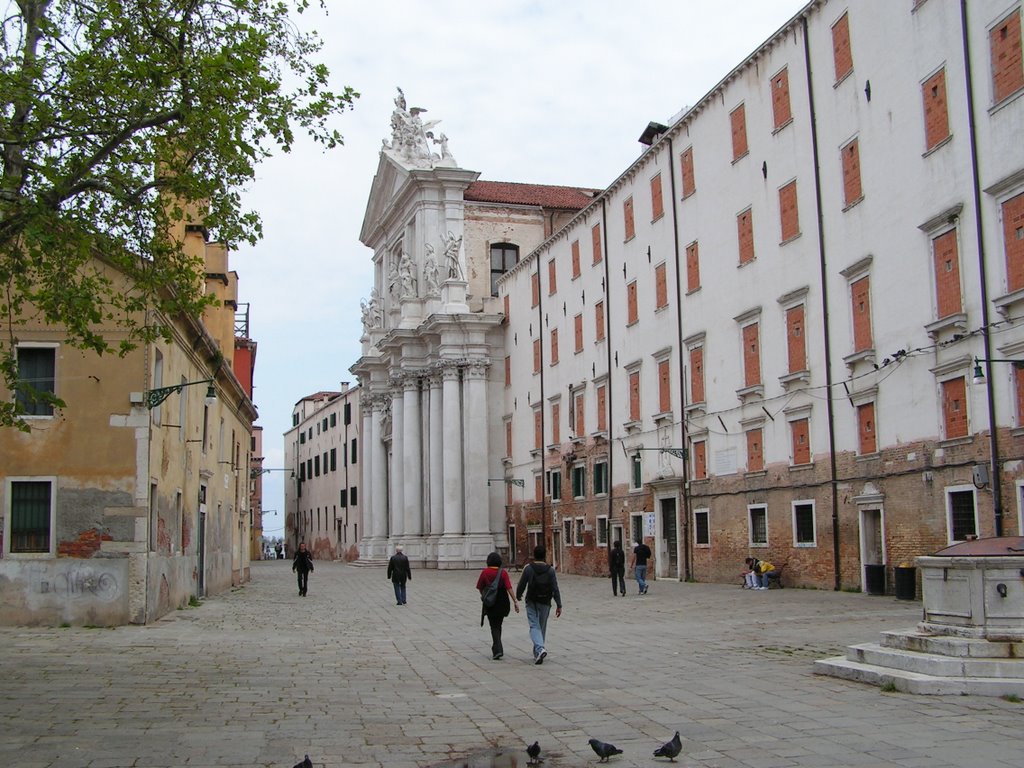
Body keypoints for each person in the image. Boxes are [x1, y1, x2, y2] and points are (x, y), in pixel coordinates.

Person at [515, 545, 562, 664]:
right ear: (544, 555)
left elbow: (521, 584)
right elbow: (555, 588)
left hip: (531, 600)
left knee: (534, 626)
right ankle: (538, 653)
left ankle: (540, 649)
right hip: (545, 601)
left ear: (534, 555)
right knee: (541, 627)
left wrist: (518, 596)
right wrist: (559, 604)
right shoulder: (550, 570)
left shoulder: (528, 568)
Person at [475, 552, 520, 660]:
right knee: (498, 624)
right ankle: (497, 647)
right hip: (502, 601)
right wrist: (515, 601)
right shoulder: (503, 573)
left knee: (493, 625)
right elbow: (509, 587)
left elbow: (479, 587)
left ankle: (498, 648)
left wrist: (485, 596)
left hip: (490, 602)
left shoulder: (485, 573)